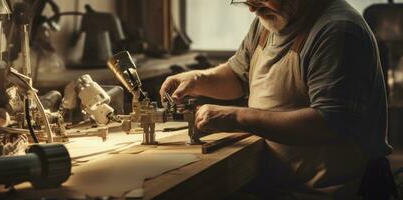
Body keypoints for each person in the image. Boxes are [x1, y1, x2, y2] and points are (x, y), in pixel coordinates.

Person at [160, 0, 395, 198]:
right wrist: (197, 79)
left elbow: (328, 123)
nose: (253, 9)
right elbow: (238, 75)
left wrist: (236, 117)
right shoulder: (268, 20)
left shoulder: (337, 30)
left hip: (326, 192)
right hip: (278, 184)